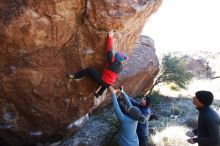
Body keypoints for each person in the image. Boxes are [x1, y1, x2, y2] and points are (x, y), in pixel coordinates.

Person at [67, 30, 128, 98]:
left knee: (89, 70)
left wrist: (110, 37)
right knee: (106, 83)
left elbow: (108, 50)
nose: (113, 56)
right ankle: (99, 94)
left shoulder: (112, 60)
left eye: (115, 56)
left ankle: (75, 76)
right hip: (109, 83)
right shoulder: (121, 66)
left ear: (115, 58)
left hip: (103, 80)